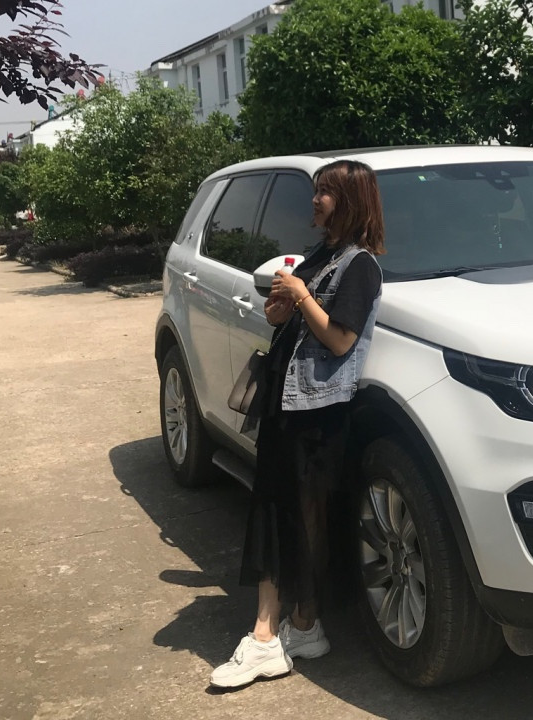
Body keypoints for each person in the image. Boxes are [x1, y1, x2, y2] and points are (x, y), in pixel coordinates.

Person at [210, 159, 385, 689]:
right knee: (274, 508)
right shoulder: (320, 254)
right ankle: (287, 630)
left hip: (318, 416)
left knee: (304, 517)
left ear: (350, 201)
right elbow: (295, 322)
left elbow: (340, 340)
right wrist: (281, 308)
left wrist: (302, 294)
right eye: (316, 191)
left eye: (325, 192)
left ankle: (284, 631)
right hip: (285, 405)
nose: (315, 200)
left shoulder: (360, 267)